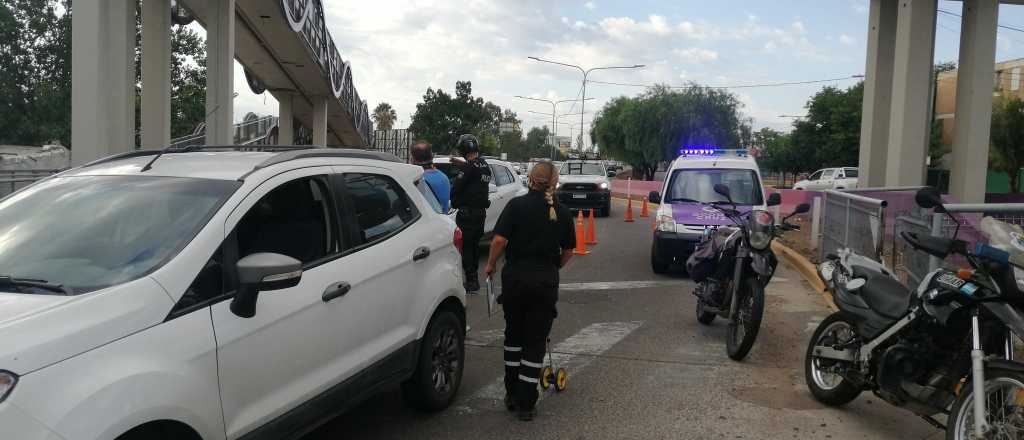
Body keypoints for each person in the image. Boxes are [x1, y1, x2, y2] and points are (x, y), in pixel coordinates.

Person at [483, 161, 576, 421]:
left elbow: (499, 240)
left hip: (515, 280)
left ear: (531, 180)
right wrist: (554, 266)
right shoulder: (562, 212)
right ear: (554, 182)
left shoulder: (516, 206)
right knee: (535, 342)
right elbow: (569, 250)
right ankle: (526, 403)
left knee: (513, 337)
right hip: (545, 283)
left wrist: (490, 264)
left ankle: (511, 394)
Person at [450, 134, 491, 293]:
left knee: (466, 248)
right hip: (480, 214)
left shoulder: (468, 168)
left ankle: (471, 281)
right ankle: (474, 279)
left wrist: (454, 199)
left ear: (463, 149)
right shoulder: (484, 165)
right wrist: (463, 164)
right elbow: (474, 171)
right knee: (474, 246)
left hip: (467, 214)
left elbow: (456, 189)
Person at [409, 140, 450, 213]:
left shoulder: (416, 180)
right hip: (443, 219)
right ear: (431, 156)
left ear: (412, 159)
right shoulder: (444, 177)